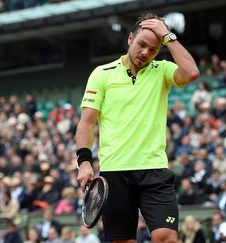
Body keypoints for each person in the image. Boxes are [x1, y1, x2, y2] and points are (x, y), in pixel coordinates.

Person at [76, 13, 199, 243]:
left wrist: (168, 36)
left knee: (167, 238)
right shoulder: (101, 74)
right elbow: (87, 121)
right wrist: (84, 162)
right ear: (130, 39)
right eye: (142, 44)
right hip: (114, 172)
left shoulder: (162, 70)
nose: (145, 53)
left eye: (153, 49)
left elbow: (191, 72)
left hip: (154, 169)